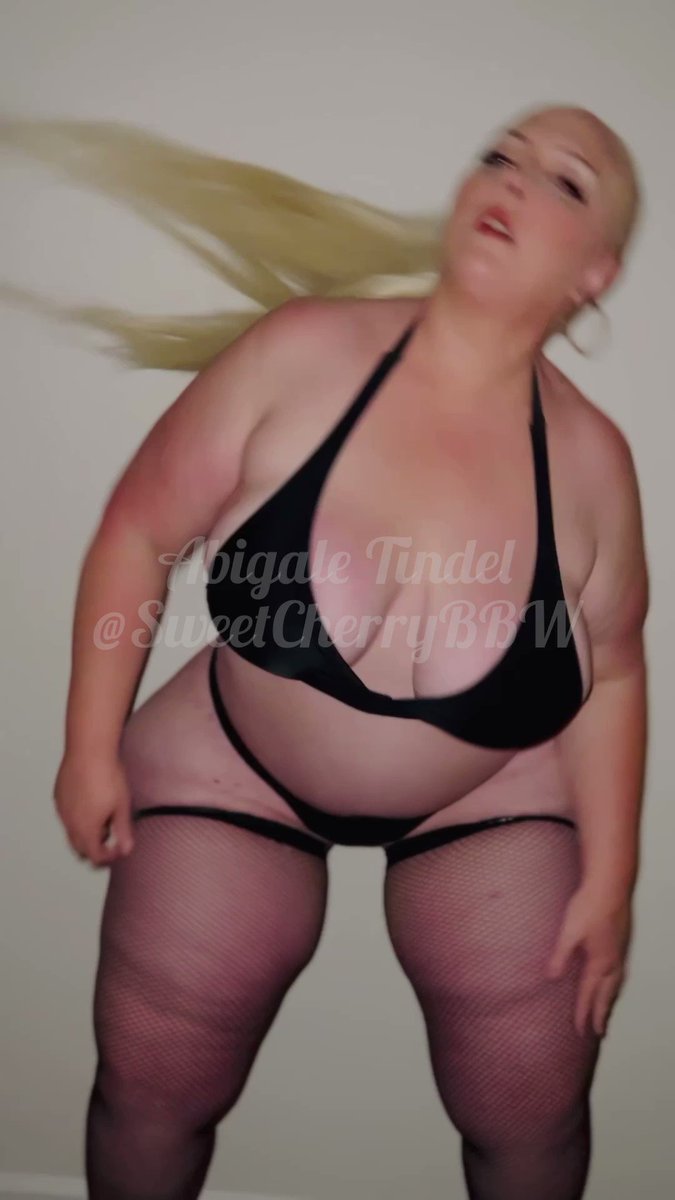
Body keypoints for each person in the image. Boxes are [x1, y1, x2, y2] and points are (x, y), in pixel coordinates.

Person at [17, 101, 647, 1198]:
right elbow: (138, 534)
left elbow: (615, 672)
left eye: (564, 180)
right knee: (152, 1087)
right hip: (230, 773)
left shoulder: (595, 462)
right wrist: (89, 745)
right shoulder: (301, 353)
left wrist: (611, 875)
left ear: (596, 272)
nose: (511, 177)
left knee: (531, 1115)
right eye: (498, 154)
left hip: (489, 804)